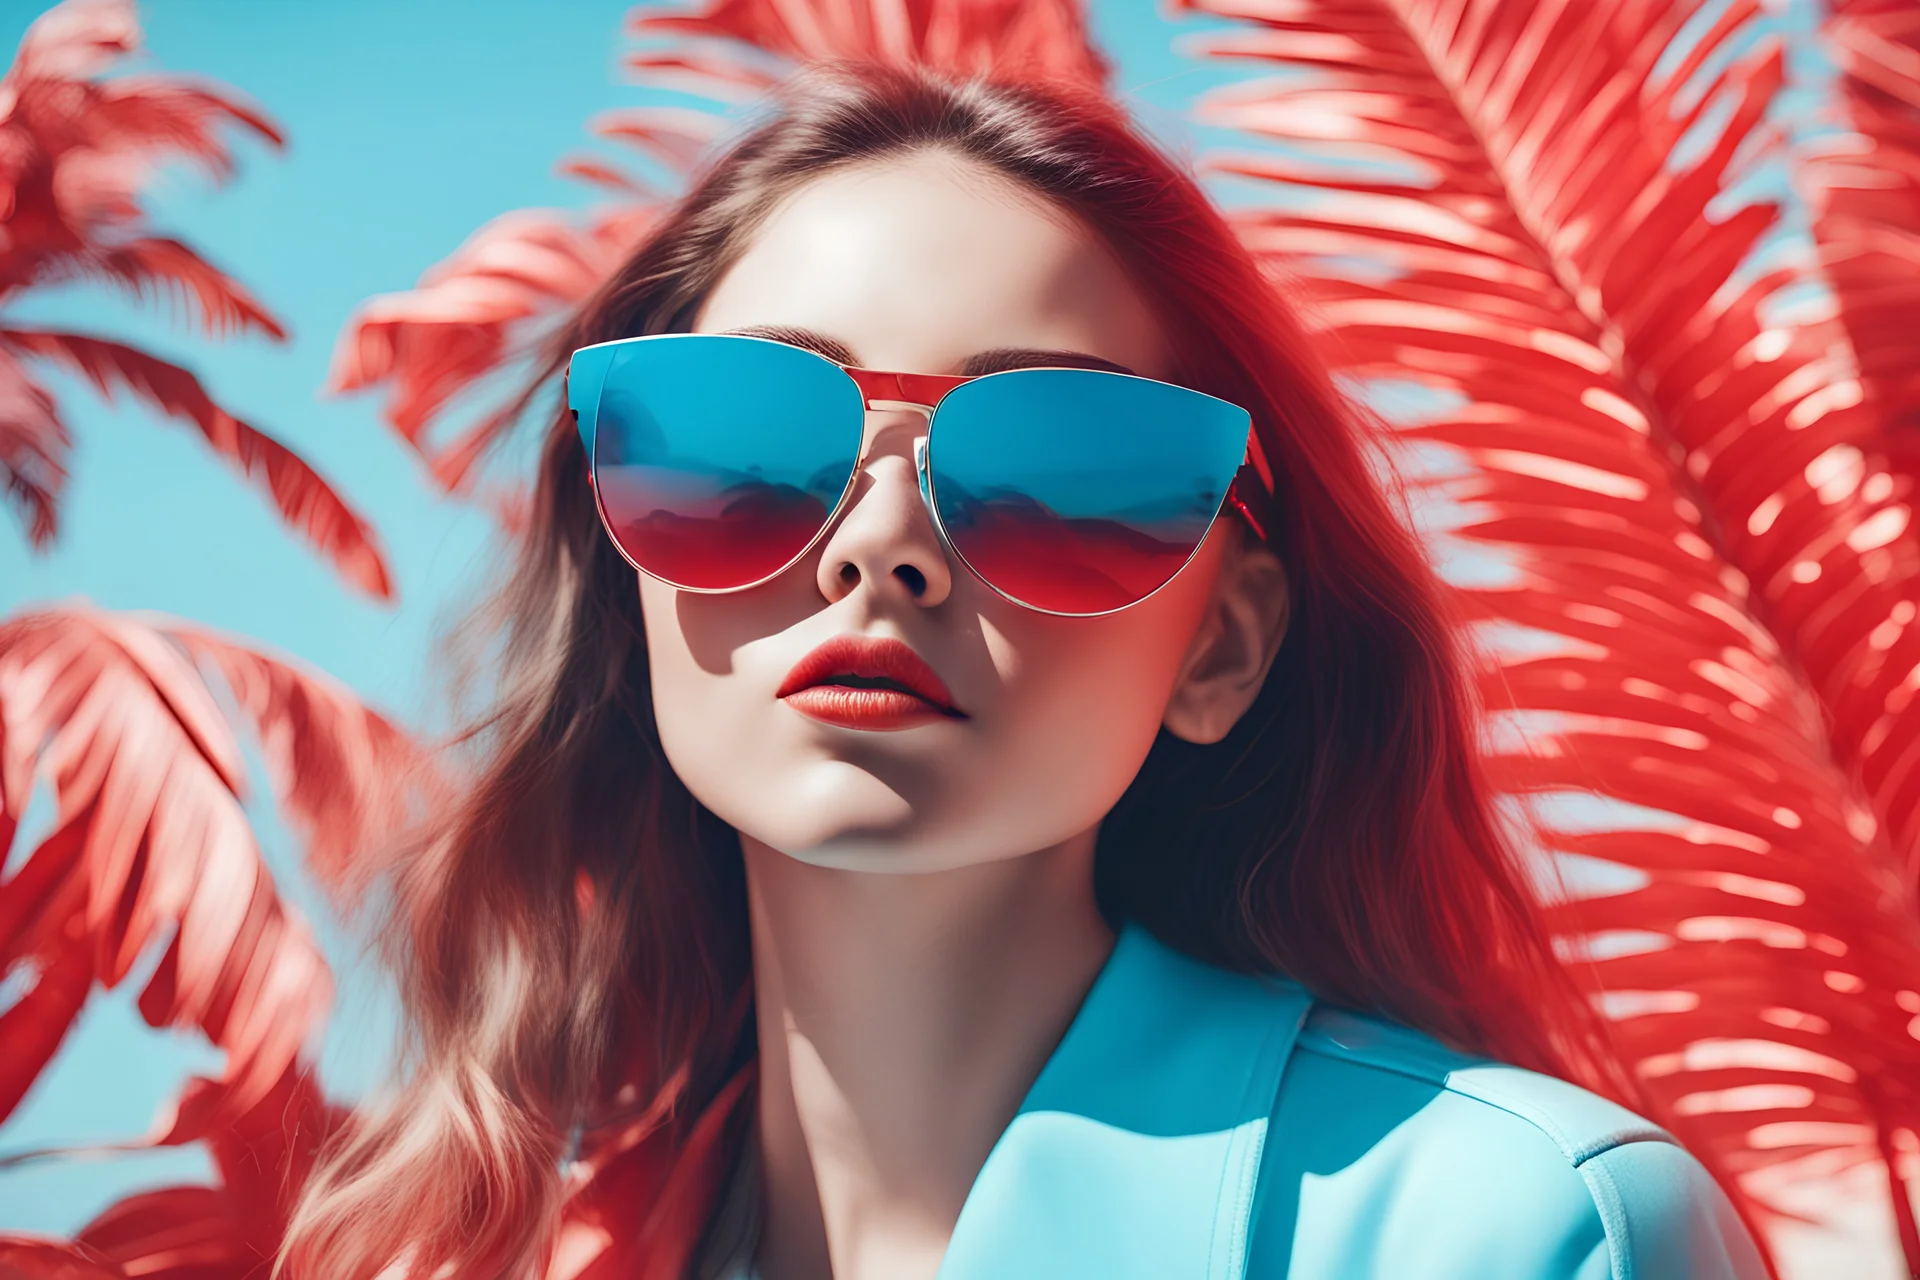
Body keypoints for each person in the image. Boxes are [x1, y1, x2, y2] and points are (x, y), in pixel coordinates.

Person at [281, 61, 1770, 1280]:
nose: (882, 548)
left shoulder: (1523, 1235)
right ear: (627, 570)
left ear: (1227, 642)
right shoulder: (476, 1252)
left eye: (1064, 471)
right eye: (738, 445)